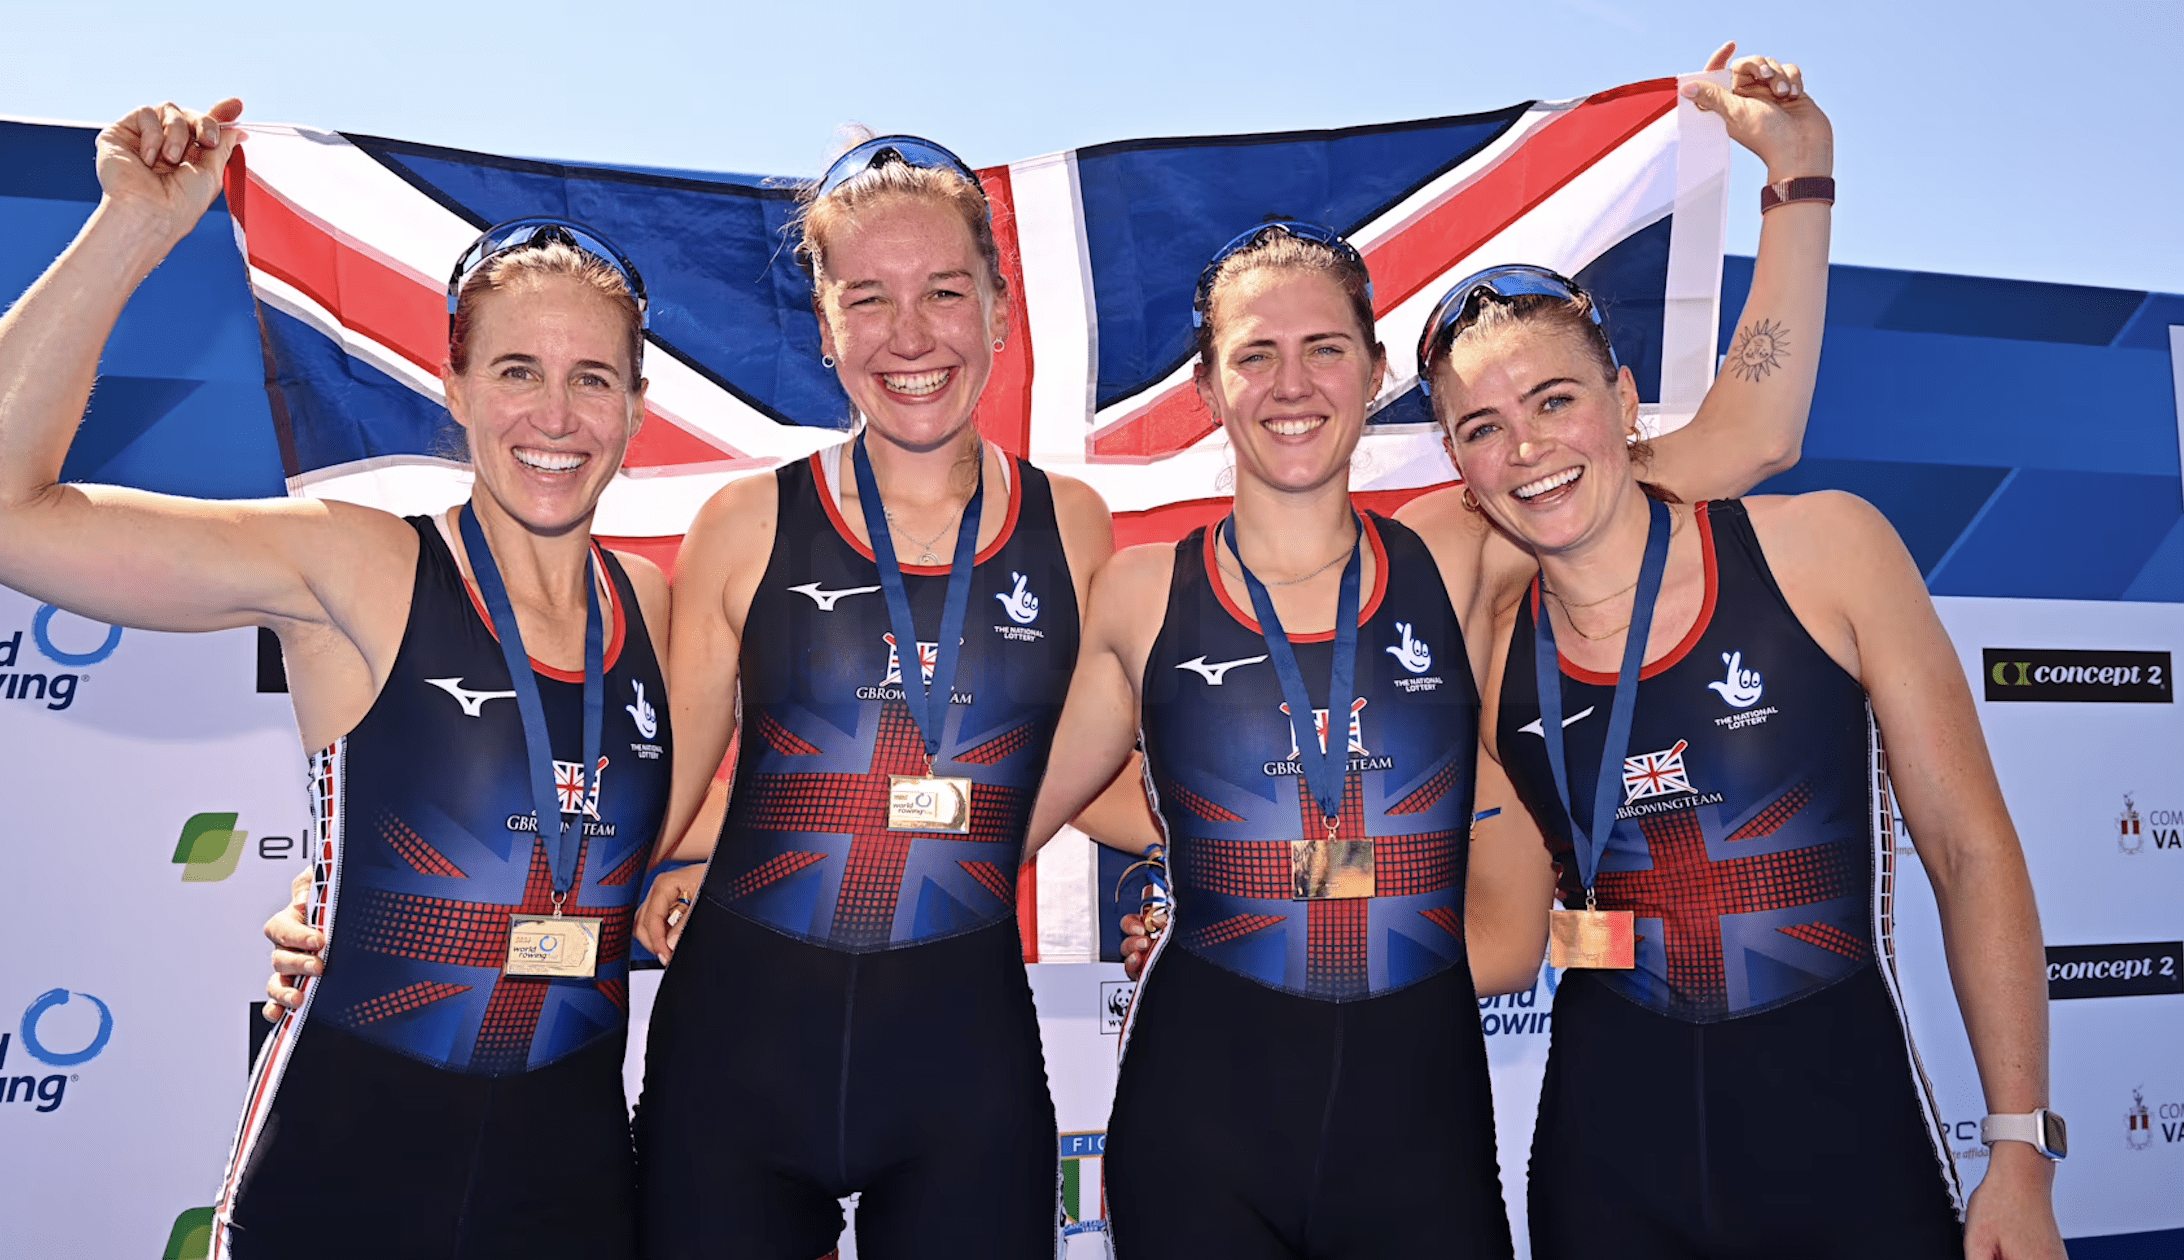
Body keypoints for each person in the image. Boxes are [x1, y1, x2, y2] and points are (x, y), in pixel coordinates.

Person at [1022, 44, 1834, 1259]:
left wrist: (1800, 185)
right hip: (1198, 1120)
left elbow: (1752, 437)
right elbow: (1012, 800)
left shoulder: (1461, 544)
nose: (1292, 385)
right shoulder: (1142, 593)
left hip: (1418, 1120)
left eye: (1324, 350)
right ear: (1208, 386)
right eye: (1254, 355)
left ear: (1374, 373)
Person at [0, 101, 674, 1259]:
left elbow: (698, 845)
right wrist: (132, 229)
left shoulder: (654, 610)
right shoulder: (354, 563)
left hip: (569, 1191)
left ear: (635, 406)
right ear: (453, 387)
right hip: (339, 1174)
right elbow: (12, 516)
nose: (555, 417)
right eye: (516, 370)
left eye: (592, 378)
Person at [1416, 84, 2068, 1260]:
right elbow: (1503, 934)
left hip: (1844, 1138)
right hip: (1606, 1162)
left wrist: (2019, 1149)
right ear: (1459, 470)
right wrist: (1257, 890)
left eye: (1555, 400)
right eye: (1482, 427)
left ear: (1624, 403)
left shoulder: (1824, 551)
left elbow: (1971, 853)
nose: (1527, 448)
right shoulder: (1488, 642)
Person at [626, 134, 1146, 1260]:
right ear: (826, 325)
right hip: (737, 1063)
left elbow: (1088, 776)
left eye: (945, 293)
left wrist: (1267, 856)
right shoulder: (744, 524)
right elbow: (648, 799)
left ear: (1000, 311)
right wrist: (367, 929)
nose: (910, 337)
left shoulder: (1077, 530)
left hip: (962, 1063)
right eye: (869, 299)